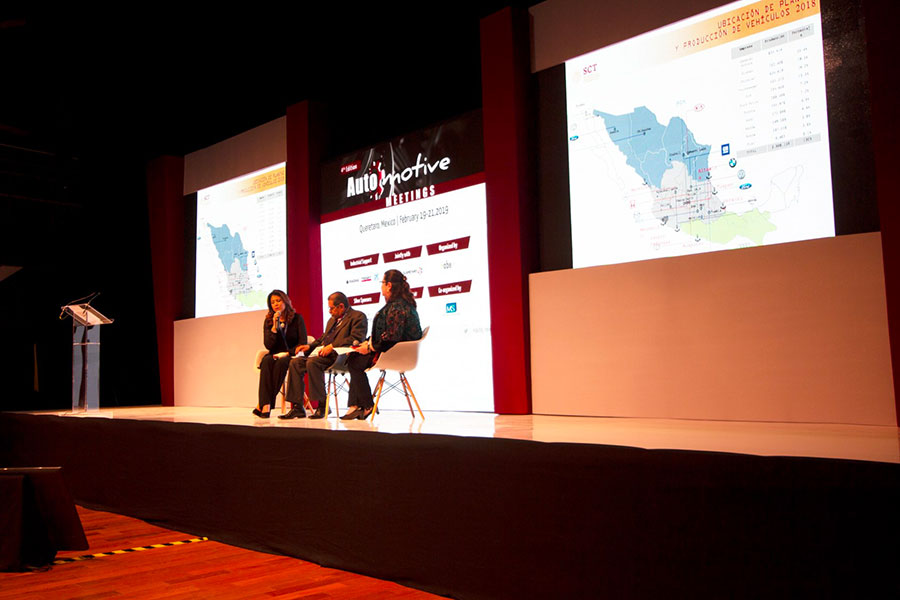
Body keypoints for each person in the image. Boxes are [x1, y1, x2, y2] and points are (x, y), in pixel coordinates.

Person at [342, 269, 422, 420]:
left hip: (395, 353)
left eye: (382, 283)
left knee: (354, 362)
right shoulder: (401, 304)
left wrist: (370, 348)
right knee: (354, 355)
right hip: (393, 349)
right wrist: (365, 344)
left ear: (389, 285)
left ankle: (365, 405)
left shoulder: (397, 307)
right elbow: (388, 334)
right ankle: (357, 406)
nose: (381, 287)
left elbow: (392, 337)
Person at [279, 292, 368, 420]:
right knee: (295, 363)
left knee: (313, 362)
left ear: (341, 306)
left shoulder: (357, 316)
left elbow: (356, 338)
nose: (329, 311)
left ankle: (322, 405)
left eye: (331, 308)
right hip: (323, 355)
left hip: (341, 356)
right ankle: (297, 407)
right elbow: (323, 338)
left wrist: (332, 346)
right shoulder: (332, 320)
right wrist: (309, 347)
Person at [254, 290, 307, 418]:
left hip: (291, 355)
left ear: (285, 301)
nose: (276, 304)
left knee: (281, 362)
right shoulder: (268, 321)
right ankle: (265, 405)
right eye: (273, 302)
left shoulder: (297, 318)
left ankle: (264, 405)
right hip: (274, 354)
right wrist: (274, 327)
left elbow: (302, 342)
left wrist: (287, 353)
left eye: (278, 301)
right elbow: (268, 345)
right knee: (266, 361)